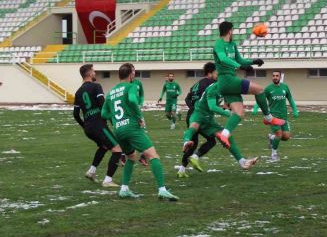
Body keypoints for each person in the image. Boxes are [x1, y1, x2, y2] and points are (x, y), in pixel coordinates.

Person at [101, 63, 178, 201]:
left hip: (118, 130)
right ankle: (162, 190)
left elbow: (103, 113)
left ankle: (124, 189)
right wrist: (139, 117)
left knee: (131, 157)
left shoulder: (111, 92)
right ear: (131, 74)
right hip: (131, 128)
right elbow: (131, 99)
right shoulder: (130, 86)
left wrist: (116, 118)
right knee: (153, 156)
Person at [212, 21, 285, 149]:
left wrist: (253, 61)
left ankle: (224, 134)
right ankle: (268, 118)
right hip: (226, 80)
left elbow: (239, 60)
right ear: (230, 30)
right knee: (259, 90)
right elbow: (223, 59)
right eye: (232, 30)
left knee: (239, 113)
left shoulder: (232, 44)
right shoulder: (219, 43)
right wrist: (240, 67)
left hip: (230, 81)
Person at [181, 82, 259, 175]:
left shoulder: (226, 88)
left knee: (227, 136)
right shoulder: (213, 89)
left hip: (209, 119)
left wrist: (233, 107)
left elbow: (227, 103)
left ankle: (242, 162)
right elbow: (212, 107)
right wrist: (229, 114)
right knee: (194, 126)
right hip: (199, 114)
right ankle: (186, 142)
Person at [73, 64, 122, 188]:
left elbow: (76, 114)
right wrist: (112, 121)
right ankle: (108, 180)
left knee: (104, 146)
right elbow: (103, 105)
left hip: (88, 128)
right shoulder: (96, 86)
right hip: (98, 125)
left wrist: (84, 126)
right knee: (117, 149)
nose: (95, 73)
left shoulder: (78, 92)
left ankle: (91, 171)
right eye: (94, 71)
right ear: (89, 73)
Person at [180, 62, 218, 174]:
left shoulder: (196, 84)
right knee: (212, 140)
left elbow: (187, 98)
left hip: (191, 115)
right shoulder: (212, 84)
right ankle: (195, 157)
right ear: (210, 73)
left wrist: (192, 107)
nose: (218, 75)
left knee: (193, 143)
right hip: (200, 116)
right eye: (216, 72)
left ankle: (181, 170)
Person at [262, 71, 298, 162]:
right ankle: (274, 155)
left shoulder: (285, 87)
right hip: (273, 116)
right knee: (279, 134)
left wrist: (294, 109)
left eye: (277, 76)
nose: (275, 77)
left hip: (283, 116)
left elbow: (290, 98)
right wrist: (255, 108)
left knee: (286, 137)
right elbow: (261, 99)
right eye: (273, 76)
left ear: (280, 77)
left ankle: (272, 138)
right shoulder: (268, 89)